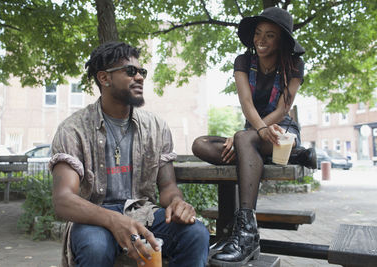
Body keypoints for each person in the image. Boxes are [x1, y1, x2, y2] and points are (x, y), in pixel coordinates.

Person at [50, 41, 209, 267]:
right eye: (131, 71)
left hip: (143, 213)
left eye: (141, 71)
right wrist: (114, 220)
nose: (140, 77)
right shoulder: (73, 129)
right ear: (104, 78)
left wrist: (176, 202)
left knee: (196, 234)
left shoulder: (156, 126)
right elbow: (63, 200)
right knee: (96, 247)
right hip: (93, 218)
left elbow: (167, 187)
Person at [192, 7, 316, 266]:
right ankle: (295, 155)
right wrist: (252, 132)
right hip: (254, 133)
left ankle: (247, 233)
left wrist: (250, 134)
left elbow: (284, 107)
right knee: (200, 145)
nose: (261, 40)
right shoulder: (243, 61)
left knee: (246, 140)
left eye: (269, 35)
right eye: (258, 33)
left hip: (281, 130)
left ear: (281, 39)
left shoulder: (294, 65)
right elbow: (246, 103)